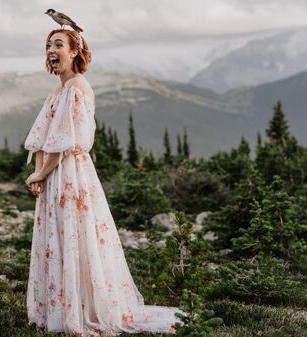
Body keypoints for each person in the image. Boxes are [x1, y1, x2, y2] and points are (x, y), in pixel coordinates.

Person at [24, 29, 181, 336]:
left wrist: (40, 174)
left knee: (77, 238)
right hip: (54, 176)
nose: (51, 50)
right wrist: (38, 175)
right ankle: (62, 307)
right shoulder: (55, 93)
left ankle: (84, 309)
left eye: (58, 45)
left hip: (71, 174)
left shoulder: (78, 88)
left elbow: (65, 142)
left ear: (74, 52)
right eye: (48, 46)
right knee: (60, 238)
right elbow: (43, 141)